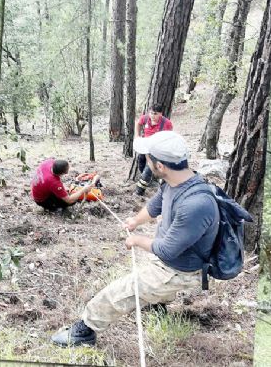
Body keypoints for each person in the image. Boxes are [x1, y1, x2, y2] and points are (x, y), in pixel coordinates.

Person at [51, 131, 219, 347]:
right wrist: (134, 221)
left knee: (118, 292)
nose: (146, 162)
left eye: (148, 159)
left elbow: (167, 250)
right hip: (172, 260)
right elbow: (155, 205)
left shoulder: (196, 204)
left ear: (160, 166)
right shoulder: (176, 181)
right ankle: (157, 303)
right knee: (149, 272)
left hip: (179, 270)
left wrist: (136, 240)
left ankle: (85, 331)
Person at [30, 158, 100, 211]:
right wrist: (83, 190)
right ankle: (53, 208)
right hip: (41, 199)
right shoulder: (54, 183)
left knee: (66, 191)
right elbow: (69, 200)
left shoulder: (48, 162)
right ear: (62, 173)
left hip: (37, 189)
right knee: (72, 202)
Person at [134, 103, 173, 196]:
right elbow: (138, 124)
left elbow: (170, 137)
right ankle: (150, 180)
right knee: (141, 161)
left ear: (161, 114)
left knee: (149, 168)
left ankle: (139, 191)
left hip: (157, 149)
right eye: (151, 113)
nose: (152, 116)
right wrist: (137, 135)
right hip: (145, 146)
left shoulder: (167, 123)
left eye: (155, 114)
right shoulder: (145, 118)